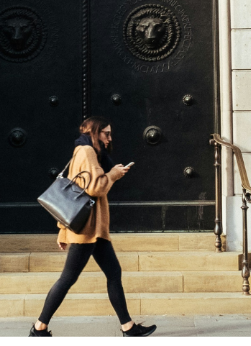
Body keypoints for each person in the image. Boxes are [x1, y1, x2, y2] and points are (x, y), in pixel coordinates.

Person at [30, 117, 156, 338]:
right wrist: (113, 175)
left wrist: (63, 229)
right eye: (105, 134)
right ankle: (39, 327)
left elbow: (72, 191)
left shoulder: (84, 151)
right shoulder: (87, 152)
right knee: (68, 278)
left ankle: (128, 326)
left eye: (110, 134)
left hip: (93, 229)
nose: (109, 138)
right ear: (95, 133)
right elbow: (95, 187)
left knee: (113, 272)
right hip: (87, 230)